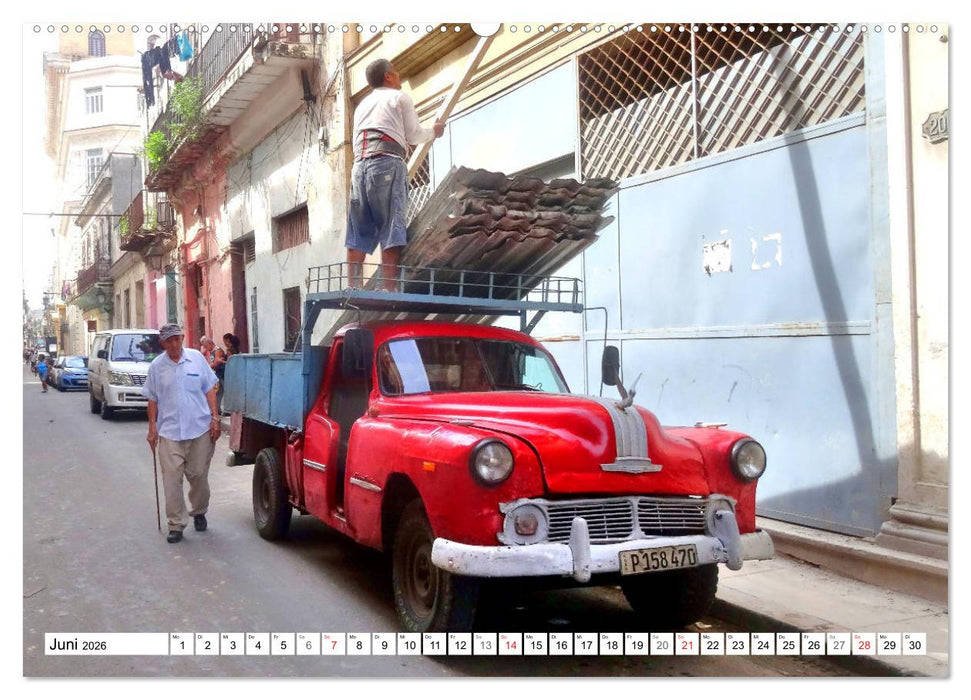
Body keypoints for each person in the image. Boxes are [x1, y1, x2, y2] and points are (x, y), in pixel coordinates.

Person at [345, 58, 446, 291]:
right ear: (388, 76)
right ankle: (389, 286)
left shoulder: (362, 105)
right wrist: (434, 131)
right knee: (391, 224)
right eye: (396, 73)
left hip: (359, 167)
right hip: (387, 164)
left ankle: (353, 285)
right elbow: (413, 135)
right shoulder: (399, 97)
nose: (399, 76)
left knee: (359, 226)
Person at [143, 324, 221, 544]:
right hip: (169, 432)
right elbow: (152, 398)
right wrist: (152, 428)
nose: (174, 344)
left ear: (183, 338)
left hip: (199, 429)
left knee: (198, 475)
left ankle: (199, 510)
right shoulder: (157, 367)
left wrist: (215, 418)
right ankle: (176, 524)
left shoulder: (196, 358)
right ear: (163, 344)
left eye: (177, 339)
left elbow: (209, 388)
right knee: (171, 479)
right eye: (170, 341)